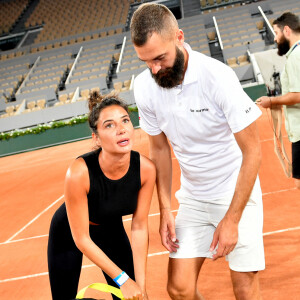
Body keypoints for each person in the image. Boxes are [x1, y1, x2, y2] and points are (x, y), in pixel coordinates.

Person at [131, 3, 264, 300]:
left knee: (243, 288)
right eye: (146, 61)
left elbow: (253, 151)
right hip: (193, 196)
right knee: (179, 289)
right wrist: (165, 207)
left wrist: (231, 219)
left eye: (160, 58)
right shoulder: (143, 86)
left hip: (236, 191)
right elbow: (159, 149)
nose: (154, 69)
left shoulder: (216, 77)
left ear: (178, 37)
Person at [47, 91, 156, 300]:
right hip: (70, 233)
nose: (121, 129)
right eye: (109, 125)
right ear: (96, 138)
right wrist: (123, 280)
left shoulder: (146, 170)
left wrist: (140, 286)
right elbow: (82, 238)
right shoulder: (79, 172)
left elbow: (140, 227)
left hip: (111, 230)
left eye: (125, 120)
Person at [256, 12, 300, 189]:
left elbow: (298, 95)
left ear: (286, 30)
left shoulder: (296, 56)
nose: (275, 39)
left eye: (276, 32)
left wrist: (272, 101)